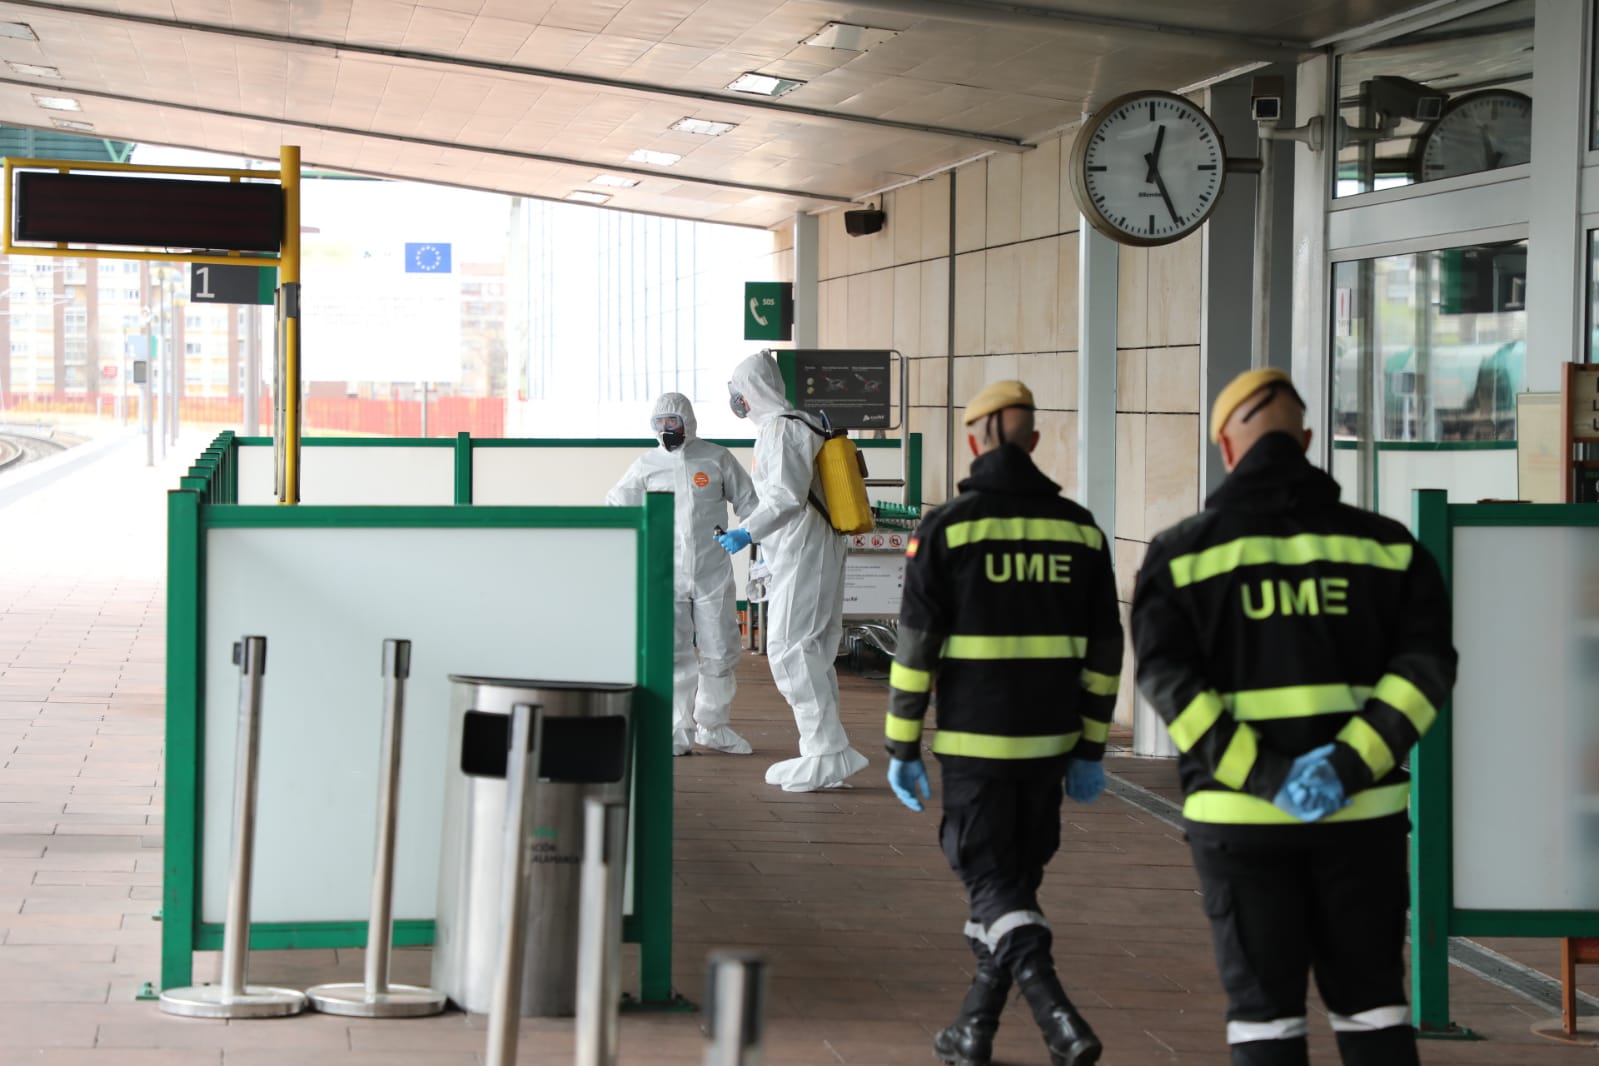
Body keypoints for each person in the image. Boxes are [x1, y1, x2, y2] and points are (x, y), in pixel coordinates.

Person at [1131, 368, 1457, 1066]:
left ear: (1225, 447)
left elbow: (1168, 684)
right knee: (1372, 1009)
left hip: (1238, 822)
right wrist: (1341, 767)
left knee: (1264, 1019)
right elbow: (1423, 676)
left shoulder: (1182, 556)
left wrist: (1268, 777)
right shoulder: (1390, 549)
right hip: (1361, 818)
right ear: (1307, 441)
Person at [884, 380, 1121, 1066]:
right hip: (1049, 748)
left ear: (970, 440)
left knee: (990, 881)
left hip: (974, 747)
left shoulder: (947, 528)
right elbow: (1105, 651)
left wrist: (901, 745)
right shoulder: (1079, 529)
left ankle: (1060, 1020)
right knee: (1010, 883)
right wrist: (1091, 747)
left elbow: (914, 650)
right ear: (1036, 442)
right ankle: (972, 1030)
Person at [716, 352, 868, 792]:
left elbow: (784, 498)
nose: (735, 402)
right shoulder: (796, 423)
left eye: (737, 392)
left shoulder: (782, 429)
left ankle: (825, 752)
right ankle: (827, 752)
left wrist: (745, 534)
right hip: (807, 548)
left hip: (807, 549)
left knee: (790, 648)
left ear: (751, 391)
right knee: (812, 650)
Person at [607, 392, 759, 757]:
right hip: (666, 573)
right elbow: (616, 504)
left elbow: (751, 503)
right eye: (660, 423)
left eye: (672, 422)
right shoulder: (646, 465)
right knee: (673, 653)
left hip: (712, 572)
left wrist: (750, 536)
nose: (666, 429)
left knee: (720, 650)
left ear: (688, 421)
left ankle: (714, 726)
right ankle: (677, 728)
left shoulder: (717, 458)